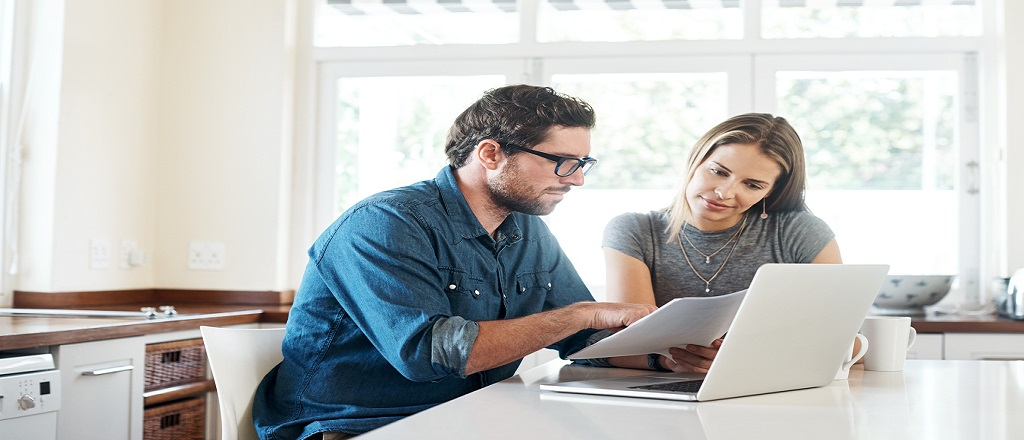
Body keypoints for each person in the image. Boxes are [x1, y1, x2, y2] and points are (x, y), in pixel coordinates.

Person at [252, 84, 655, 440]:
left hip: (469, 417)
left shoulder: (528, 230)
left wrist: (663, 357)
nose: (577, 179)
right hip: (358, 425)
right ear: (491, 154)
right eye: (562, 161)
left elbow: (583, 338)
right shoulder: (385, 223)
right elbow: (427, 353)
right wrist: (580, 314)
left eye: (583, 164)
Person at [601, 113, 842, 373]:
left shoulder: (800, 233)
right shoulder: (634, 231)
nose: (724, 193)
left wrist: (747, 358)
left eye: (752, 185)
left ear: (770, 191)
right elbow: (628, 343)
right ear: (696, 159)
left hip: (769, 382)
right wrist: (672, 361)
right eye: (718, 171)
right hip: (664, 386)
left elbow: (846, 339)